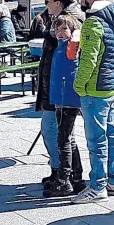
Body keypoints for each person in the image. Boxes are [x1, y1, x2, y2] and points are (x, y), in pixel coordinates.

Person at [73, 0, 114, 203]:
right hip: (111, 84)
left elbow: (89, 59)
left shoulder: (93, 23)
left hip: (95, 88)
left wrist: (79, 86)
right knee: (111, 134)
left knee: (96, 139)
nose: (80, 0)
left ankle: (97, 185)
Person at [34, 0, 84, 192]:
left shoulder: (68, 22)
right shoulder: (62, 21)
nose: (45, 6)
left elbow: (72, 59)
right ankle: (65, 173)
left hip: (62, 90)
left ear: (58, 3)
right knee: (59, 133)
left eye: (47, 1)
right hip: (55, 87)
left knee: (58, 133)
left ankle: (66, 176)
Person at [45, 13, 87, 198]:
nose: (60, 33)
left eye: (64, 29)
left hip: (66, 98)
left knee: (63, 140)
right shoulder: (60, 46)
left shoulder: (70, 47)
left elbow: (76, 43)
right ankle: (77, 178)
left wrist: (75, 34)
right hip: (63, 97)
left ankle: (64, 180)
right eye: (57, 29)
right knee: (69, 139)